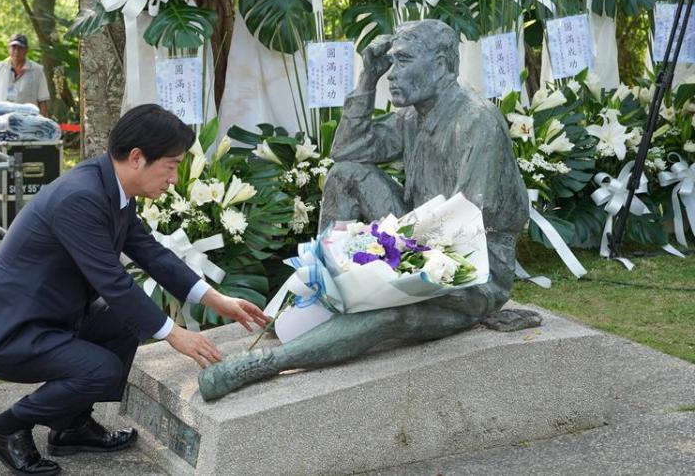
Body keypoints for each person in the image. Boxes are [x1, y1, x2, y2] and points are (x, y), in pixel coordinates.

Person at [197, 20, 529, 401]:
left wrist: (383, 273)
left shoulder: (477, 121)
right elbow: (347, 152)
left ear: (440, 66)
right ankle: (325, 292)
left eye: (403, 61)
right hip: (419, 245)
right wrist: (367, 79)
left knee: (390, 311)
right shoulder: (413, 117)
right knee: (346, 175)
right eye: (391, 63)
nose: (394, 74)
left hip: (472, 268)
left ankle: (266, 364)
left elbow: (465, 224)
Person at [0, 105, 270, 476]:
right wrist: (174, 335)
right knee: (101, 371)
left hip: (47, 315)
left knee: (124, 322)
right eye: (171, 165)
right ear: (137, 157)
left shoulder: (112, 188)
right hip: (2, 330)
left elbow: (151, 253)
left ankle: (70, 427)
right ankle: (6, 428)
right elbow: (112, 280)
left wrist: (216, 299)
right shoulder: (80, 197)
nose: (174, 178)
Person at [0, 33, 50, 116]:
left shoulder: (37, 70)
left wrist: (41, 124)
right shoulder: (0, 67)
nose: (16, 51)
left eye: (20, 48)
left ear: (27, 50)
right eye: (13, 47)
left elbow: (43, 100)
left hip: (28, 120)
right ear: (8, 48)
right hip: (2, 119)